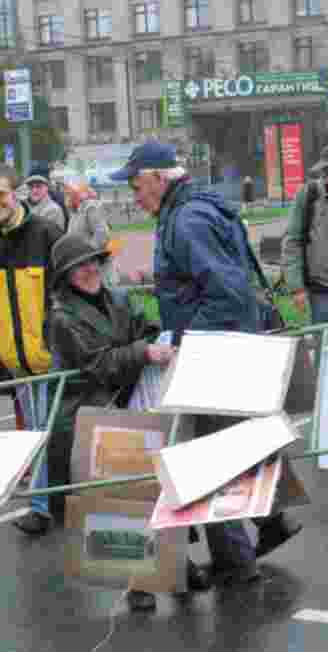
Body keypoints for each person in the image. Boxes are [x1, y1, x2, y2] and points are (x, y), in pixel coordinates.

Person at [109, 141, 301, 586]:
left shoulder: (188, 219)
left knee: (204, 458)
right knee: (231, 447)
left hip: (212, 353)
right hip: (228, 344)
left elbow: (226, 292)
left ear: (159, 178)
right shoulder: (193, 209)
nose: (134, 196)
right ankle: (272, 521)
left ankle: (236, 560)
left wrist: (188, 341)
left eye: (136, 185)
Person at [47, 234, 172, 611]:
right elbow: (96, 364)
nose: (89, 270)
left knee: (155, 488)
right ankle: (138, 584)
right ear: (65, 276)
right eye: (79, 266)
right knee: (117, 498)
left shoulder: (119, 297)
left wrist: (152, 339)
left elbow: (143, 327)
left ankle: (179, 563)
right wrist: (144, 351)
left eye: (93, 262)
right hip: (90, 407)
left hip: (130, 399)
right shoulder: (62, 318)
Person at [0, 164, 65, 535]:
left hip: (51, 358)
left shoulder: (47, 234)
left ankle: (49, 503)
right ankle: (44, 505)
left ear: (17, 194)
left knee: (53, 433)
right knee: (34, 435)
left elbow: (69, 291)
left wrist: (58, 341)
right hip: (16, 361)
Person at [281, 135, 328, 325]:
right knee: (326, 349)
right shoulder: (309, 195)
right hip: (323, 294)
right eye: (325, 172)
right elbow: (293, 240)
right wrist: (296, 287)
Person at [64, 182, 110, 252]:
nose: (66, 197)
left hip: (91, 258)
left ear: (77, 194)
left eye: (68, 194)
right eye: (66, 194)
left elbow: (102, 234)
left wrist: (88, 251)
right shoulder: (74, 212)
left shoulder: (91, 208)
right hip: (79, 257)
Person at [24, 163, 68, 232]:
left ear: (47, 187)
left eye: (38, 186)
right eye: (31, 187)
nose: (34, 190)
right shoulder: (22, 206)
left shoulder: (54, 210)